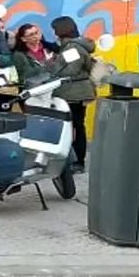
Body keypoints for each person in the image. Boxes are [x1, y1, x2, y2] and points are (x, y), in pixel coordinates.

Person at [49, 16, 97, 170]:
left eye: (55, 29)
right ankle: (76, 160)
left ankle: (77, 161)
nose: (54, 33)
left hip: (73, 93)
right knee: (76, 125)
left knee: (74, 126)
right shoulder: (76, 44)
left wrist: (51, 64)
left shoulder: (72, 48)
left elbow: (71, 70)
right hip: (78, 92)